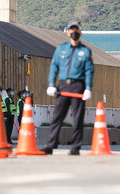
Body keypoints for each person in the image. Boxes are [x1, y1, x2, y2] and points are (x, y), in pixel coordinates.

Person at [40, 21, 94, 156]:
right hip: (63, 85)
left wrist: (88, 88)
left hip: (78, 86)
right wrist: (51, 84)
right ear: (68, 32)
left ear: (80, 32)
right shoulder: (61, 49)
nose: (73, 32)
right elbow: (54, 67)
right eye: (71, 29)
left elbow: (89, 71)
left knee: (78, 118)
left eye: (76, 29)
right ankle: (50, 145)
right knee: (57, 116)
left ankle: (76, 146)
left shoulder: (85, 51)